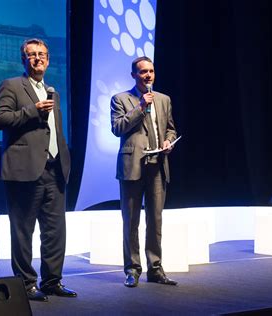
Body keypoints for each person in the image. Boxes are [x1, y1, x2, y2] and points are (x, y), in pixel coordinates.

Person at [0, 38, 77, 302]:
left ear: (49, 59)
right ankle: (26, 283)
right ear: (24, 60)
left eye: (42, 54)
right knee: (23, 231)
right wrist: (32, 110)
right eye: (31, 55)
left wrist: (65, 159)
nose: (37, 58)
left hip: (54, 169)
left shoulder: (54, 91)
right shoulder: (12, 86)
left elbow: (54, 131)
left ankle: (52, 281)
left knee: (55, 231)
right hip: (23, 170)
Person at [110, 56, 178, 287]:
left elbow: (170, 129)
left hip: (158, 165)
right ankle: (132, 269)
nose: (148, 75)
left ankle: (155, 269)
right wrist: (140, 107)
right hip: (133, 166)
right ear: (133, 75)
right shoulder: (121, 99)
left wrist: (169, 142)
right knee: (131, 221)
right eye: (142, 72)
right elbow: (117, 128)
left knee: (155, 220)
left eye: (151, 71)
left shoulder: (164, 99)